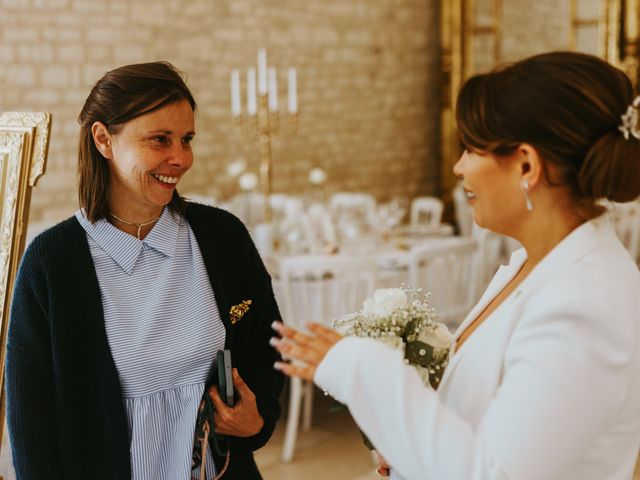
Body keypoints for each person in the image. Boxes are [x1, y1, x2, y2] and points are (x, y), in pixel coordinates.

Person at [270, 51, 640, 479]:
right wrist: (409, 446)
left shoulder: (585, 306)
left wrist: (364, 367)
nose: (458, 166)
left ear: (526, 165)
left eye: (471, 148)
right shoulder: (532, 265)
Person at [6, 61, 283, 479]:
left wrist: (256, 419)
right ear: (104, 139)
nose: (181, 158)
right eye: (160, 139)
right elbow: (31, 429)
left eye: (187, 139)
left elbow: (268, 347)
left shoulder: (223, 238)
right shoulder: (51, 263)